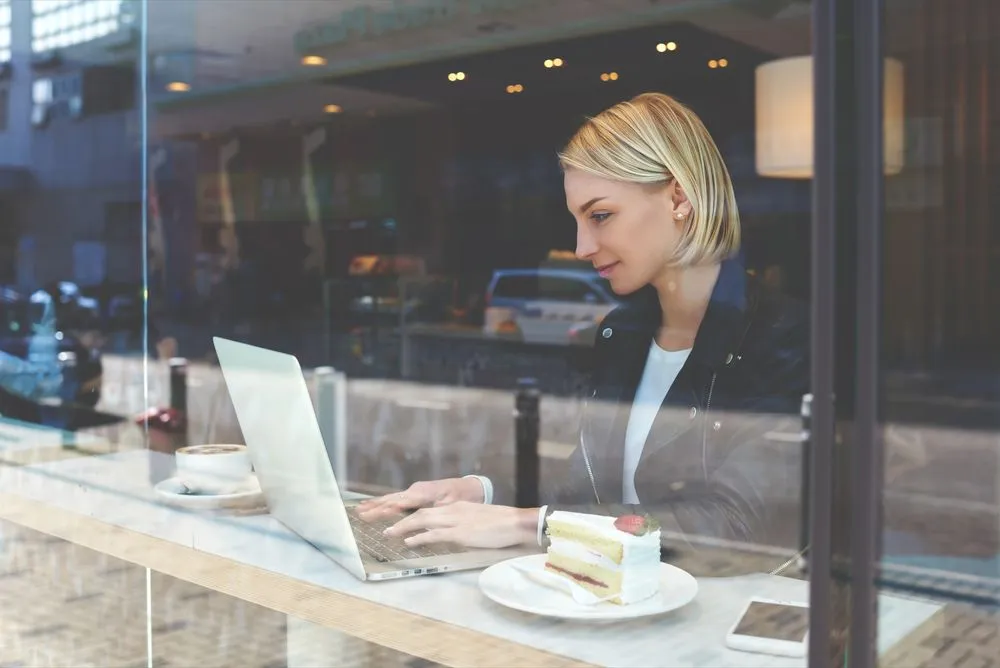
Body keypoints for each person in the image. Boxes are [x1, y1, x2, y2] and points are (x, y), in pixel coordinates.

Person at [357, 92, 809, 557]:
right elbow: (588, 486)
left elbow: (735, 524)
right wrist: (480, 491)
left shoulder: (783, 335)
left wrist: (530, 525)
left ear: (679, 196)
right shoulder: (623, 332)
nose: (581, 246)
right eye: (578, 220)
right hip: (617, 597)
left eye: (600, 216)